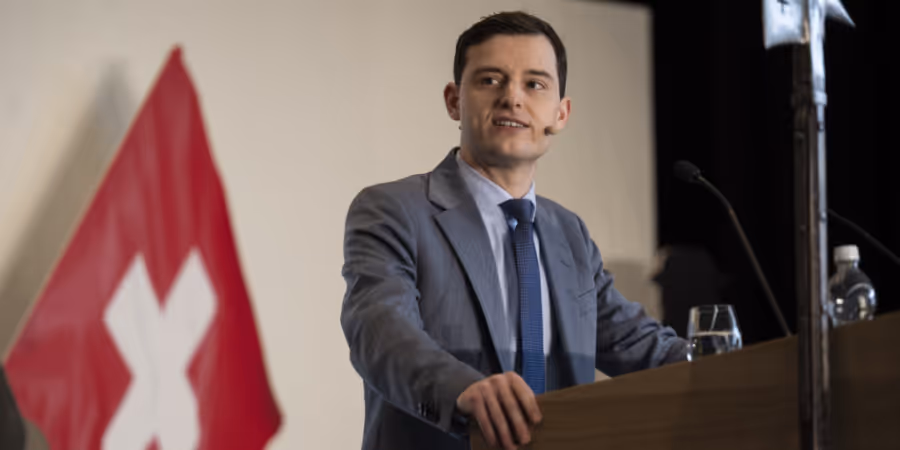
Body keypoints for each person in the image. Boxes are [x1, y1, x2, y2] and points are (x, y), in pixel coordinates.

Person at [340, 11, 688, 450]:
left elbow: (636, 342)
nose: (512, 98)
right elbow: (380, 332)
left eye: (535, 84)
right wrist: (463, 390)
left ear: (561, 113)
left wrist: (736, 362)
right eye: (490, 80)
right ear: (454, 100)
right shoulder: (394, 210)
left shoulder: (570, 234)